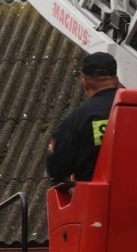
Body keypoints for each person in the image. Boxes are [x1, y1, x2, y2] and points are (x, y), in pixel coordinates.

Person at [45, 52, 121, 184]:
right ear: (117, 80)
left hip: (97, 200)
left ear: (84, 82)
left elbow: (57, 169)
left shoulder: (78, 119)